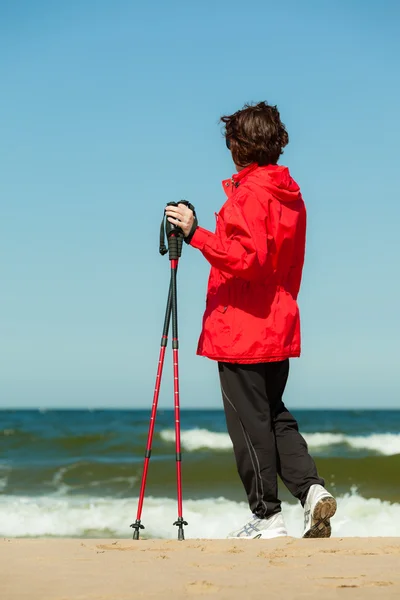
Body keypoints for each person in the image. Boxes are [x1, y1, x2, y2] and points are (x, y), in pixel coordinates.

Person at [165, 101, 336, 539]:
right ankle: (312, 491)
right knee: (273, 416)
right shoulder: (290, 196)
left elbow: (247, 258)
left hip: (241, 327)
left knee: (248, 425)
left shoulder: (250, 194)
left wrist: (194, 233)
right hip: (276, 321)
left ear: (240, 146)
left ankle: (266, 517)